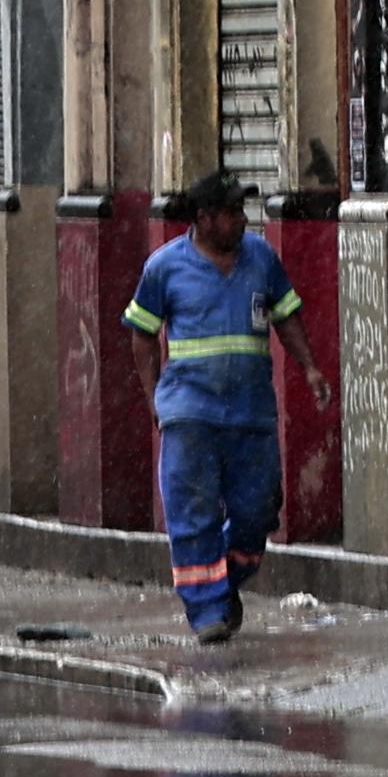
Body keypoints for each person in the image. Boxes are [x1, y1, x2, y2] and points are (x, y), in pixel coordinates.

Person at [120, 176, 331, 644]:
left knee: (258, 509)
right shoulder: (165, 268)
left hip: (250, 412)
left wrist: (310, 367)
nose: (240, 219)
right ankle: (208, 610)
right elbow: (142, 336)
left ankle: (222, 582)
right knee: (192, 511)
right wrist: (154, 395)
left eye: (242, 211)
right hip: (189, 410)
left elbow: (285, 314)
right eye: (231, 212)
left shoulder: (261, 259)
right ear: (203, 219)